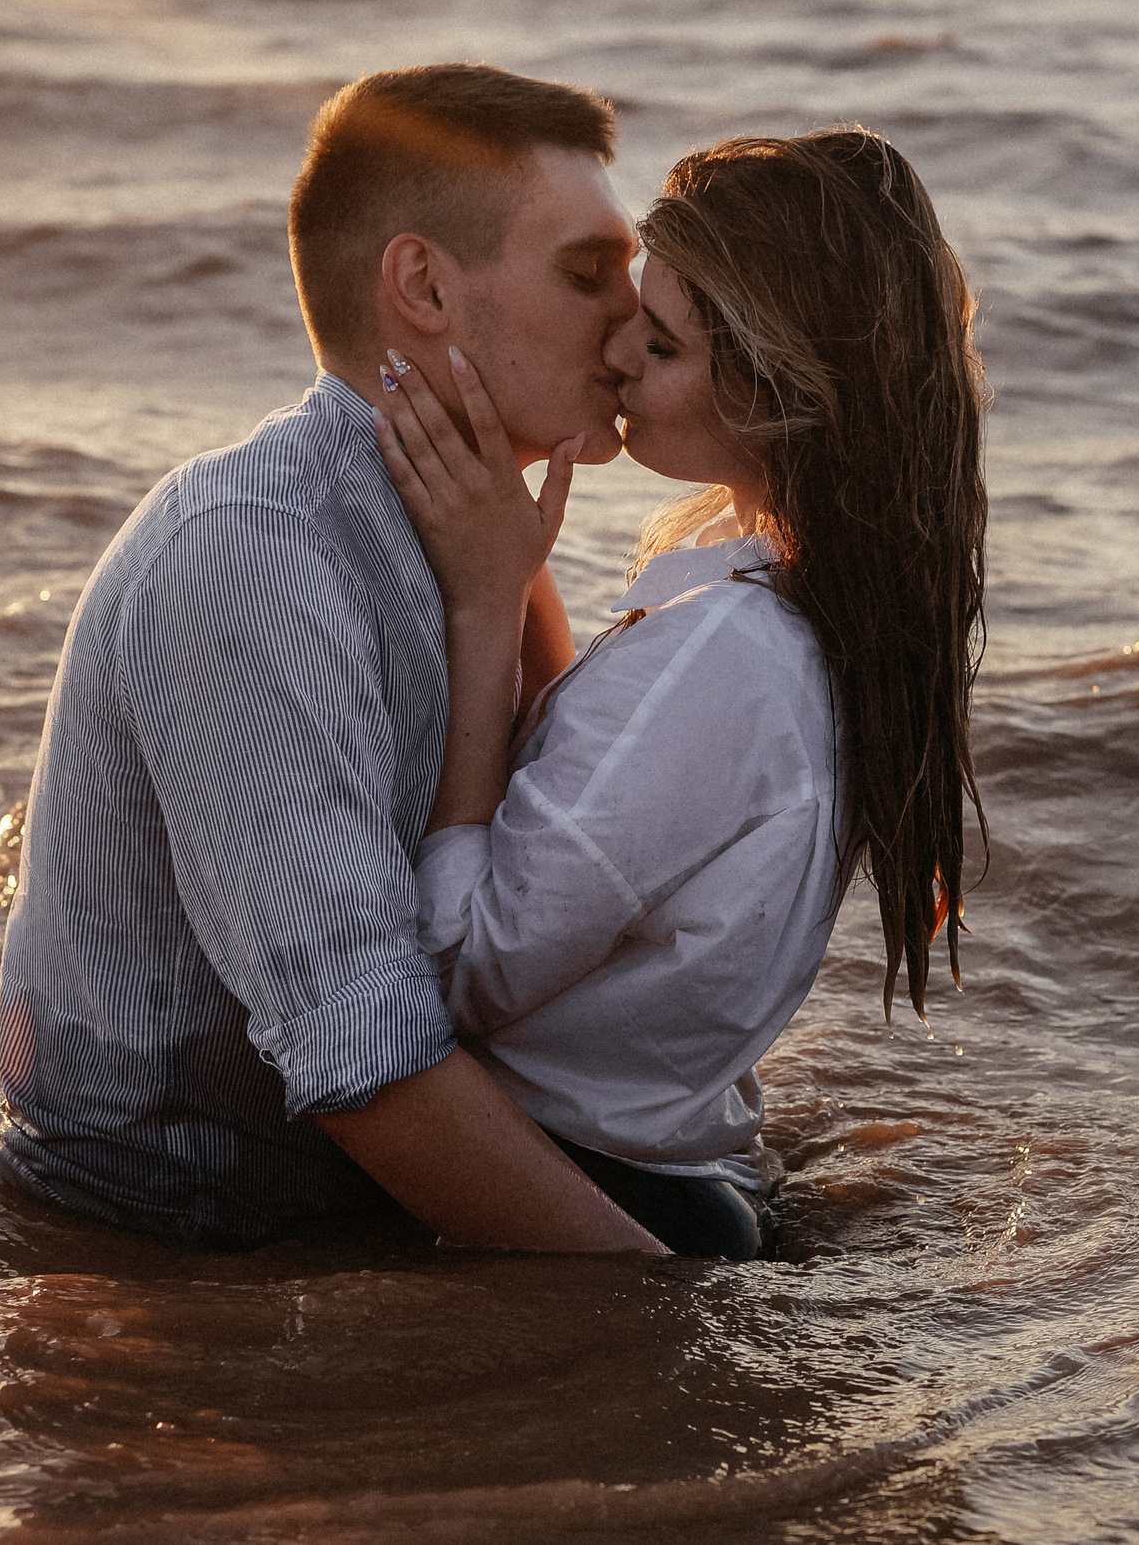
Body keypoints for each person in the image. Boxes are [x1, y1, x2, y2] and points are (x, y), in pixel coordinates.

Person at [0, 63, 671, 1252]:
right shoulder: (250, 556)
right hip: (181, 1250)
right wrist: (670, 1306)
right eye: (587, 273)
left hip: (345, 1199)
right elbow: (366, 1057)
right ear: (421, 285)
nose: (639, 316)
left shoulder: (476, 538)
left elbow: (517, 906)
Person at [375, 127, 990, 1261]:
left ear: (773, 394)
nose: (612, 353)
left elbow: (462, 965)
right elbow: (617, 835)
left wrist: (482, 604)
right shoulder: (820, 613)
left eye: (657, 343)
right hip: (682, 1168)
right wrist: (517, 574)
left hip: (583, 1196)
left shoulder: (722, 657)